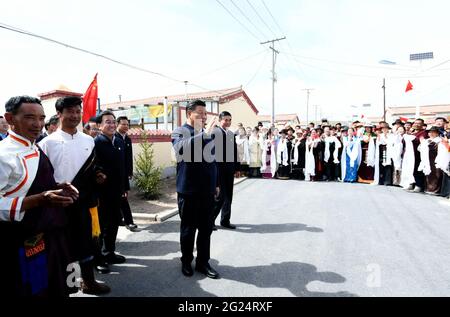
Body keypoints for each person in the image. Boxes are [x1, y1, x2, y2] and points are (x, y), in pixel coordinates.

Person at [0, 96, 79, 297]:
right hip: (23, 237)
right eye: (29, 118)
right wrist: (41, 198)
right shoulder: (4, 155)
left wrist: (57, 187)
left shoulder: (33, 145)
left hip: (51, 232)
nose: (38, 124)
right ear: (10, 118)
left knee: (57, 284)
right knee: (33, 287)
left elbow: (36, 182)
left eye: (41, 118)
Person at [38, 96, 110, 294]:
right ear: (59, 114)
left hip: (84, 202)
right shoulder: (47, 143)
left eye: (78, 111)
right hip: (58, 204)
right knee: (63, 247)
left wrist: (99, 175)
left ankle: (89, 282)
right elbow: (43, 177)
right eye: (70, 111)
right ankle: (68, 285)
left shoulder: (89, 140)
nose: (75, 115)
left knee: (86, 244)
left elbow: (94, 167)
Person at [171, 100, 220, 279]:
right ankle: (186, 261)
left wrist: (216, 183)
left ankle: (203, 262)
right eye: (199, 113)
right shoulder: (179, 132)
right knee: (188, 229)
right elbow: (180, 150)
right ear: (189, 114)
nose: (204, 116)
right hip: (189, 190)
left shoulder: (208, 134)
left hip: (207, 190)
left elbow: (213, 161)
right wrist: (204, 135)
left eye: (205, 114)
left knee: (206, 229)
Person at [94, 111, 127, 265]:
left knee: (114, 223)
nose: (112, 125)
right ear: (100, 125)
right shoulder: (95, 143)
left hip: (117, 192)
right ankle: (98, 258)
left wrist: (124, 188)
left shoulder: (119, 142)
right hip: (101, 194)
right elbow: (93, 168)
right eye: (108, 122)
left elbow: (123, 168)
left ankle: (110, 252)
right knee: (100, 226)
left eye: (114, 122)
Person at [213, 111, 239, 230]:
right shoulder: (215, 132)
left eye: (230, 119)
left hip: (229, 169)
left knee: (229, 196)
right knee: (220, 196)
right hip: (219, 169)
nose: (228, 122)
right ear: (220, 120)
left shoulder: (230, 134)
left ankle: (225, 220)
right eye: (225, 120)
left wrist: (236, 168)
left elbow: (234, 152)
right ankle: (210, 220)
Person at [115, 116, 138, 232]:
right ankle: (129, 222)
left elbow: (129, 157)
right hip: (117, 174)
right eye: (123, 124)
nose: (126, 126)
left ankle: (120, 219)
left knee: (123, 197)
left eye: (127, 125)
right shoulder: (114, 138)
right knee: (123, 197)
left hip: (125, 173)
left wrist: (130, 171)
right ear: (117, 124)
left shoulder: (127, 139)